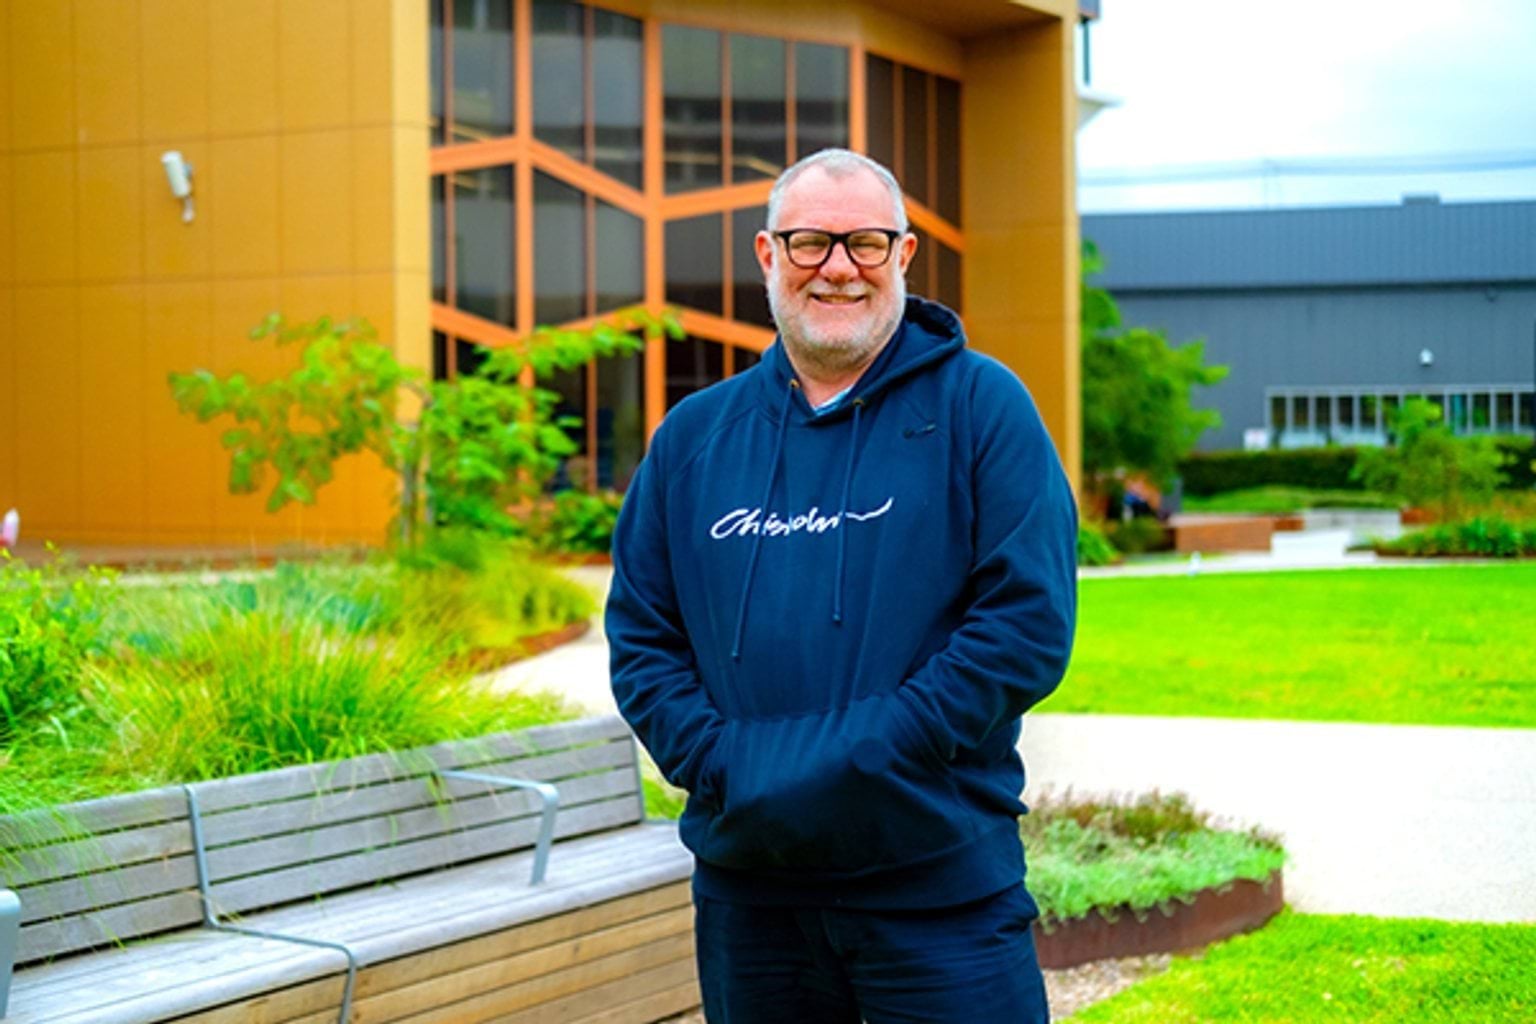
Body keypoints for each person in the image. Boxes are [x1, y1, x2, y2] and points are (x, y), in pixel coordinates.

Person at [606, 148, 1077, 1023]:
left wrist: (869, 751)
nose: (837, 267)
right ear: (766, 255)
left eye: (865, 242)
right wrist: (717, 762)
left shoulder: (983, 408)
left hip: (940, 893)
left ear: (902, 256)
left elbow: (1025, 626)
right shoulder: (694, 438)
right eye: (810, 242)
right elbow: (643, 636)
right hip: (753, 900)